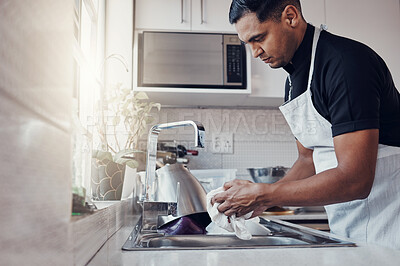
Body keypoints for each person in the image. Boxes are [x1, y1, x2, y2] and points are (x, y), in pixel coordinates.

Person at [212, 0, 400, 249]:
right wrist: (261, 201)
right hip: (351, 230)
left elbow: (356, 180)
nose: (255, 52)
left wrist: (263, 193)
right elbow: (307, 159)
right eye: (248, 43)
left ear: (290, 16)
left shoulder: (346, 65)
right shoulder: (293, 81)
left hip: (391, 229)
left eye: (259, 38)